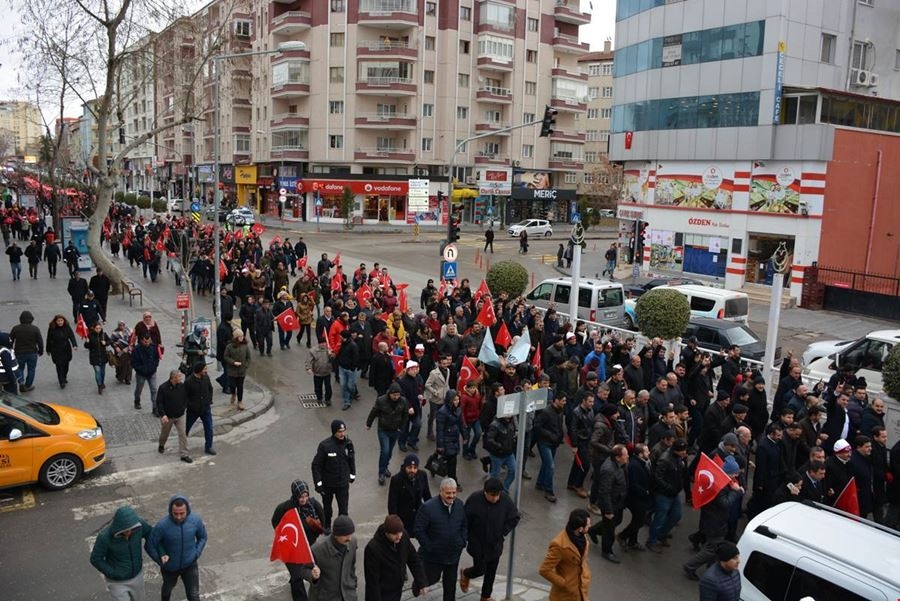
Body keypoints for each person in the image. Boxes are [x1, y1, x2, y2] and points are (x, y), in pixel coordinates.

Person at [683, 456, 743, 581]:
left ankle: (711, 568)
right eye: (735, 473)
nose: (737, 475)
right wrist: (735, 492)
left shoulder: (722, 481)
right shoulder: (720, 486)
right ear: (729, 473)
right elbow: (725, 503)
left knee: (713, 547)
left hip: (715, 521)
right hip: (715, 523)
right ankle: (690, 566)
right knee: (711, 548)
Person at [460, 477, 520, 601]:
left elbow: (514, 517)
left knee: (491, 572)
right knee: (480, 569)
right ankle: (466, 573)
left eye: (497, 495)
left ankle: (486, 596)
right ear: (485, 492)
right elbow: (465, 520)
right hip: (478, 544)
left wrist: (503, 532)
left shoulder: (505, 500)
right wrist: (465, 537)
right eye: (492, 495)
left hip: (495, 544)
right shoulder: (474, 499)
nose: (495, 498)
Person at [414, 478, 467, 601]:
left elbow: (464, 524)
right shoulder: (428, 508)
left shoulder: (459, 505)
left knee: (450, 584)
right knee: (430, 579)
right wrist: (430, 547)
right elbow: (418, 529)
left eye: (454, 493)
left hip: (453, 554)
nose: (451, 496)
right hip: (433, 557)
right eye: (448, 493)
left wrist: (462, 541)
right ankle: (418, 585)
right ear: (441, 491)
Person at [271, 480, 326, 601]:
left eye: (306, 496)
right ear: (295, 495)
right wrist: (284, 535)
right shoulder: (285, 508)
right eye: (301, 497)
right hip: (292, 548)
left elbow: (323, 519)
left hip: (308, 546)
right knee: (297, 576)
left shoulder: (313, 504)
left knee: (316, 570)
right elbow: (275, 521)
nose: (304, 499)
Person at [147, 495, 208, 601]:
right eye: (175, 513)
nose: (179, 517)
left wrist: (197, 553)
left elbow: (202, 537)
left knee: (194, 596)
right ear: (170, 510)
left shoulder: (195, 520)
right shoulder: (162, 526)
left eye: (182, 513)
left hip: (190, 565)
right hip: (170, 568)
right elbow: (150, 545)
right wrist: (160, 561)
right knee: (167, 590)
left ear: (187, 510)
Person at [89, 505, 152, 601]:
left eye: (131, 529)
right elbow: (95, 559)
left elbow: (150, 534)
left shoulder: (139, 525)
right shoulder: (104, 537)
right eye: (126, 530)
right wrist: (113, 573)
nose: (129, 532)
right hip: (117, 582)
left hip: (137, 576)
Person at [363, 514, 428, 601]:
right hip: (383, 593)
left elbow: (413, 559)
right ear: (386, 533)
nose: (399, 536)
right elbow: (373, 582)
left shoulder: (403, 536)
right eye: (394, 534)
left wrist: (421, 582)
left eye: (400, 532)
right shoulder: (373, 549)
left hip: (397, 589)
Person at [586, 444, 629, 563]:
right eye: (625, 455)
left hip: (617, 501)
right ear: (617, 457)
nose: (628, 457)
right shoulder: (609, 470)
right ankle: (607, 551)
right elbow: (604, 492)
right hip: (611, 503)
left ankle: (593, 530)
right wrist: (608, 510)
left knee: (616, 521)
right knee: (609, 529)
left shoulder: (618, 465)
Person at [311, 420, 356, 532]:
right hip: (328, 485)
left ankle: (342, 529)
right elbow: (316, 465)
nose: (342, 434)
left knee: (343, 510)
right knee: (327, 508)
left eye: (344, 431)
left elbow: (351, 459)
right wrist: (318, 484)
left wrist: (352, 475)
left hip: (342, 484)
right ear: (334, 432)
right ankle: (327, 525)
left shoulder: (348, 444)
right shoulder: (325, 446)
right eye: (340, 432)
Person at [300, 515, 358, 601]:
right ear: (336, 535)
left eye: (351, 534)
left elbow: (351, 565)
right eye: (345, 535)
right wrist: (313, 575)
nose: (349, 538)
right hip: (326, 597)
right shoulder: (317, 549)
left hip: (349, 595)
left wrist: (353, 583)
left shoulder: (353, 541)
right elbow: (303, 569)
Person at [539, 509, 592, 601]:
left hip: (580, 590)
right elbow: (544, 570)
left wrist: (586, 574)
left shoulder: (582, 537)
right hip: (564, 596)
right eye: (588, 525)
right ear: (580, 529)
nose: (590, 526)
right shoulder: (559, 545)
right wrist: (564, 583)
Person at [367, 382, 409, 485]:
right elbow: (374, 412)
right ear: (389, 393)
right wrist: (369, 423)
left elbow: (405, 415)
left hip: (395, 430)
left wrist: (401, 428)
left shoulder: (403, 401)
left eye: (398, 394)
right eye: (394, 394)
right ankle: (381, 473)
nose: (396, 397)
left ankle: (385, 466)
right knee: (385, 451)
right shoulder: (381, 400)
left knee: (389, 451)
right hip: (383, 429)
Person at [534, 391, 567, 503]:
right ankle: (549, 490)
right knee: (550, 466)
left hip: (554, 442)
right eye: (563, 400)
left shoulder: (560, 411)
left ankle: (540, 483)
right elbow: (537, 426)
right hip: (544, 443)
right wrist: (551, 435)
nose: (564, 402)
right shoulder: (546, 412)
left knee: (546, 464)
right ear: (556, 400)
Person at [387, 454, 431, 533]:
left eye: (415, 468)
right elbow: (392, 503)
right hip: (403, 519)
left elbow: (427, 496)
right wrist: (395, 522)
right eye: (409, 467)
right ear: (405, 467)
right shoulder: (396, 480)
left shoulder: (422, 475)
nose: (412, 470)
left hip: (419, 517)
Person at [156, 369, 192, 463]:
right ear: (173, 378)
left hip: (180, 415)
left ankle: (184, 454)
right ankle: (161, 444)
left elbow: (186, 397)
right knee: (165, 433)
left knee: (182, 434)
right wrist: (163, 415)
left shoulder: (182, 386)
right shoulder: (163, 388)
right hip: (168, 416)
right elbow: (159, 402)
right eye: (179, 376)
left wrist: (184, 406)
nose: (181, 378)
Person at [185, 361, 216, 456]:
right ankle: (183, 445)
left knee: (209, 428)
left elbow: (210, 389)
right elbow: (185, 396)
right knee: (186, 429)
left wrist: (209, 400)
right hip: (193, 411)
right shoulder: (189, 381)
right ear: (199, 371)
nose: (206, 371)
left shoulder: (206, 378)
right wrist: (190, 405)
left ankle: (208, 447)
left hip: (205, 409)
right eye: (204, 369)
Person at [435, 390, 464, 487]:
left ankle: (434, 465)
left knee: (448, 458)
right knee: (452, 461)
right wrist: (440, 445)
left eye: (458, 399)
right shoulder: (442, 412)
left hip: (454, 438)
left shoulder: (458, 409)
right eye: (454, 400)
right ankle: (453, 481)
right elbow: (439, 430)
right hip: (447, 439)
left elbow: (461, 423)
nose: (457, 402)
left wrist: (465, 435)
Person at [9, 310, 43, 392]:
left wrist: (10, 350)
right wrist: (41, 351)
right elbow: (40, 341)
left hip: (19, 353)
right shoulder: (35, 329)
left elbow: (10, 340)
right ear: (31, 319)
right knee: (31, 369)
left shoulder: (16, 328)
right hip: (32, 352)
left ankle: (21, 383)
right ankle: (28, 385)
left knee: (20, 368)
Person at [46, 314, 77, 389]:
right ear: (55, 321)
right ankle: (61, 381)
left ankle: (64, 376)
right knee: (59, 365)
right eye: (58, 321)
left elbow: (71, 336)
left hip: (66, 348)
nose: (60, 322)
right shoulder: (52, 328)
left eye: (61, 320)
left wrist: (74, 345)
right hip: (56, 349)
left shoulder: (67, 327)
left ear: (64, 321)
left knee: (66, 365)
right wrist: (48, 349)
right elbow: (49, 339)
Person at [131, 333, 161, 413]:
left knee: (154, 389)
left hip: (152, 372)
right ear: (141, 341)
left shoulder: (153, 347)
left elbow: (156, 358)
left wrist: (154, 366)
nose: (147, 343)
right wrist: (141, 369)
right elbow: (134, 362)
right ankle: (137, 400)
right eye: (145, 342)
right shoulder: (136, 350)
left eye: (148, 341)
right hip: (141, 374)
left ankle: (155, 408)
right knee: (139, 388)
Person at [223, 329, 251, 410]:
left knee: (240, 386)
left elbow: (248, 358)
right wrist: (233, 362)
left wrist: (245, 366)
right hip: (232, 370)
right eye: (240, 336)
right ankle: (233, 393)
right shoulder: (229, 346)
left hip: (242, 370)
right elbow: (226, 357)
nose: (242, 338)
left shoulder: (245, 346)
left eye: (242, 336)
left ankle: (240, 401)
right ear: (236, 337)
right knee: (232, 385)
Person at [85, 321, 112, 395]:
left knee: (102, 372)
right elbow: (87, 346)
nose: (98, 330)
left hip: (103, 356)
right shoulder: (90, 335)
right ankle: (99, 385)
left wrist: (105, 343)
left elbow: (110, 341)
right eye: (97, 328)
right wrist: (87, 342)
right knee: (97, 372)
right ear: (93, 328)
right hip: (94, 357)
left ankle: (102, 382)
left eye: (99, 328)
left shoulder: (104, 334)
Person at [307, 340, 333, 406]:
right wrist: (308, 368)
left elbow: (333, 359)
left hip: (327, 372)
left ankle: (328, 399)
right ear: (319, 344)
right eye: (321, 343)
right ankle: (319, 398)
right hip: (317, 373)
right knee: (318, 387)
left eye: (324, 343)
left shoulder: (329, 349)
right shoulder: (313, 351)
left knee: (328, 387)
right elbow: (308, 361)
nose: (323, 345)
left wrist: (332, 354)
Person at [110, 321, 133, 385]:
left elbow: (133, 339)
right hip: (120, 351)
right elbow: (111, 341)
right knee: (120, 365)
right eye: (120, 325)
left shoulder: (128, 330)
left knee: (128, 365)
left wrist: (131, 346)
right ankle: (120, 376)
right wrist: (115, 347)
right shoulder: (115, 333)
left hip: (128, 350)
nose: (122, 326)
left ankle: (127, 379)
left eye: (123, 325)